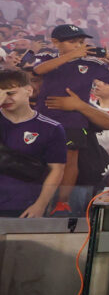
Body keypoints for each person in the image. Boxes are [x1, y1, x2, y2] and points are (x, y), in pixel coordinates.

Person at [26, 24, 109, 212]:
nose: (78, 45)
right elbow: (38, 70)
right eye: (72, 42)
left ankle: (62, 202)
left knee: (70, 160)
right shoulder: (46, 58)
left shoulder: (92, 63)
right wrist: (71, 55)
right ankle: (37, 197)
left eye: (81, 42)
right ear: (56, 42)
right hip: (44, 117)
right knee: (39, 158)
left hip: (74, 119)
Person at [0, 68, 66, 217]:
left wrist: (41, 205)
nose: (5, 99)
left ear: (29, 91)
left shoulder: (51, 128)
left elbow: (56, 169)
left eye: (10, 93)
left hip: (24, 205)